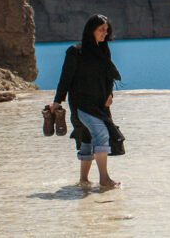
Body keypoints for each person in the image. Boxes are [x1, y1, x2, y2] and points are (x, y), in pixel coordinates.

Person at [51, 14, 123, 189]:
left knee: (87, 138)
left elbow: (108, 77)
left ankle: (83, 180)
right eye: (101, 30)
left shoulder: (104, 50)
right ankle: (104, 179)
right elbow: (65, 78)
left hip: (100, 104)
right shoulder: (75, 51)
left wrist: (110, 95)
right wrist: (57, 101)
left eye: (106, 30)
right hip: (82, 103)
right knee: (102, 134)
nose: (104, 33)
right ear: (91, 30)